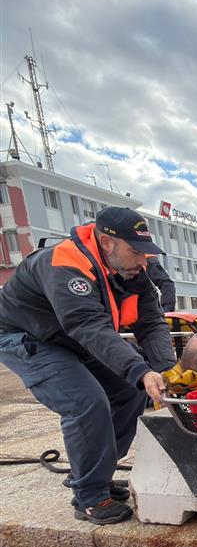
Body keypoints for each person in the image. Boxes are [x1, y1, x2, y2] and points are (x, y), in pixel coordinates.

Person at [0, 206, 174, 524]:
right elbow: (88, 326)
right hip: (29, 337)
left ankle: (98, 474)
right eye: (136, 251)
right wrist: (139, 369)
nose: (142, 260)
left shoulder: (134, 268)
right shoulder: (65, 263)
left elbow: (151, 322)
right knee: (85, 401)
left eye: (145, 252)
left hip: (72, 336)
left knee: (129, 391)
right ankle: (89, 496)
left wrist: (164, 370)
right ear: (108, 243)